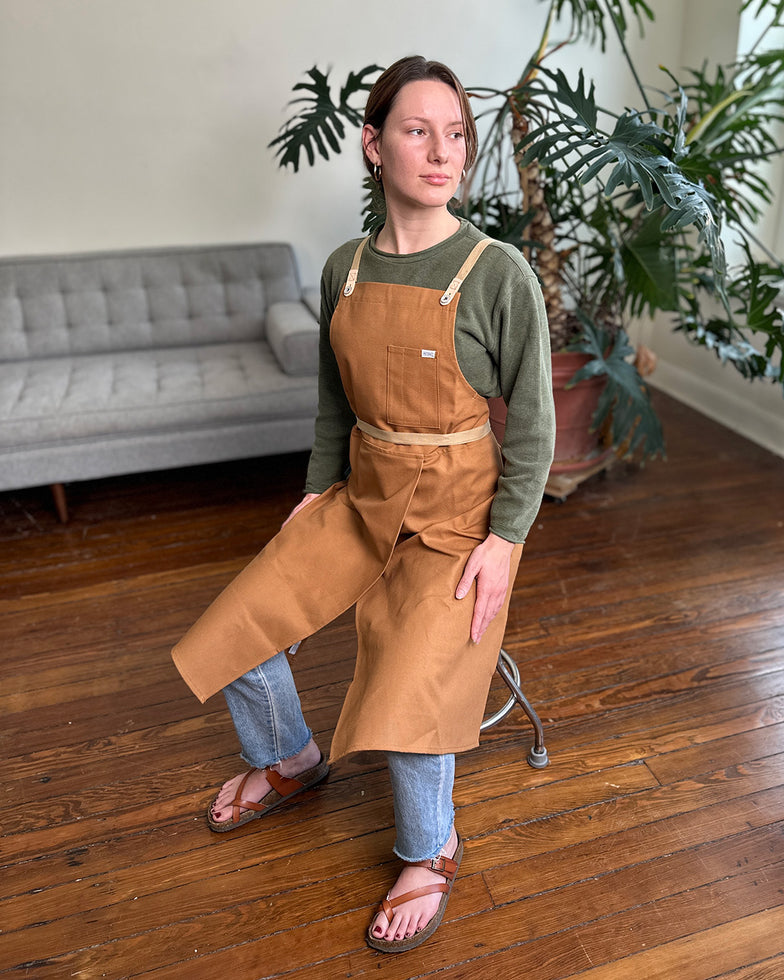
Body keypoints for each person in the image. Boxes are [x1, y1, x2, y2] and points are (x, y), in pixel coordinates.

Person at [172, 54, 555, 954]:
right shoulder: (344, 269)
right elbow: (333, 409)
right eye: (417, 130)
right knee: (238, 632)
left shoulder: (498, 276)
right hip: (358, 496)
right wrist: (311, 496)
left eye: (455, 132)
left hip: (456, 518)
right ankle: (295, 761)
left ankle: (431, 849)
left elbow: (534, 432)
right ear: (373, 145)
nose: (443, 150)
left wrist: (504, 542)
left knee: (407, 686)